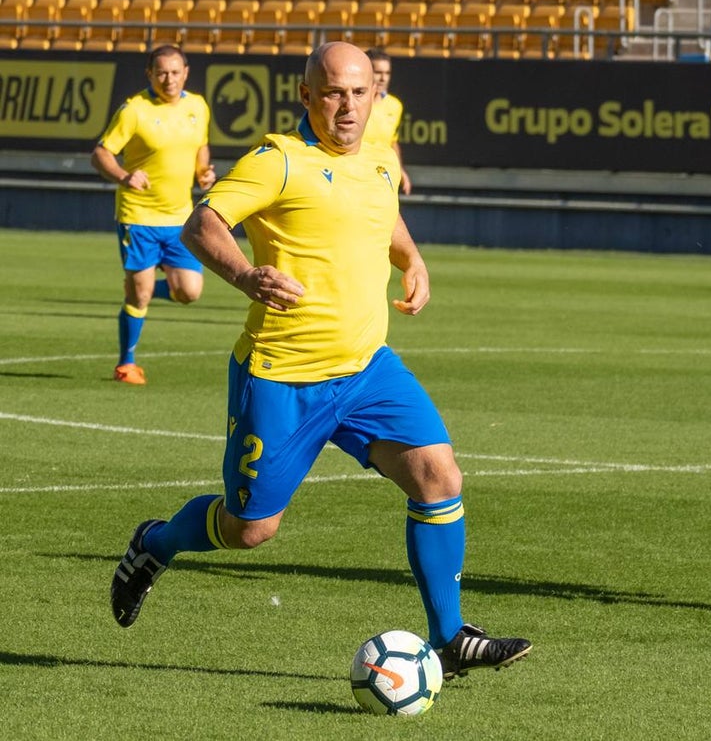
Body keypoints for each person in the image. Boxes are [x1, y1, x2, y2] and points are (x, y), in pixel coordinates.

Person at [110, 42, 532, 679]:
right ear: (307, 96)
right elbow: (203, 225)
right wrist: (248, 274)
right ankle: (156, 544)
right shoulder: (278, 160)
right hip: (282, 376)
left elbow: (382, 214)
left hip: (367, 369)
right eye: (334, 92)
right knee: (250, 529)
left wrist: (412, 259)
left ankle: (450, 636)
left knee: (439, 478)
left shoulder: (380, 160)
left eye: (360, 93)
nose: (349, 106)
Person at [91, 45, 217, 385]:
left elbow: (200, 146)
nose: (169, 79)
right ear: (149, 74)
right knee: (140, 295)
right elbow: (101, 153)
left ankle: (138, 288)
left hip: (180, 218)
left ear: (186, 72)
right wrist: (123, 176)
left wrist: (203, 171)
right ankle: (126, 364)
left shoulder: (197, 106)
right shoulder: (134, 110)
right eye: (161, 72)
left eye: (175, 72)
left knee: (189, 292)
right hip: (139, 216)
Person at [364, 48, 413, 195]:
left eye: (387, 73)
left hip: (381, 177)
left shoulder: (395, 105)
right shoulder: (354, 103)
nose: (383, 78)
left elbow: (392, 142)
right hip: (355, 174)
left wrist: (400, 170)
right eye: (378, 72)